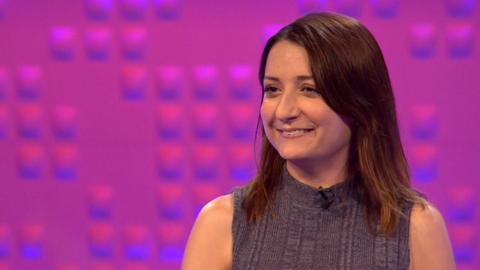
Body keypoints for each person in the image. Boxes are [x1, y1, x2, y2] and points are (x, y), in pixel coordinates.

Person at [181, 12, 456, 270]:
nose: (284, 111)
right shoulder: (221, 222)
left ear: (359, 102)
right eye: (272, 89)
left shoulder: (416, 226)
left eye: (309, 89)